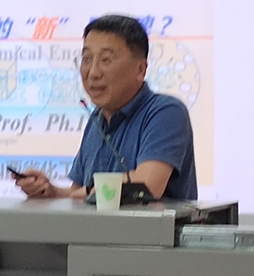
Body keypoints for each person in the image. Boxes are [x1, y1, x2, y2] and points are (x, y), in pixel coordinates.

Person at [16, 14, 197, 201]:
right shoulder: (97, 118)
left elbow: (146, 186)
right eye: (86, 59)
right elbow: (78, 195)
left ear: (140, 70)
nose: (93, 73)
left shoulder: (165, 112)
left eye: (106, 60)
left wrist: (89, 191)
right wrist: (50, 192)